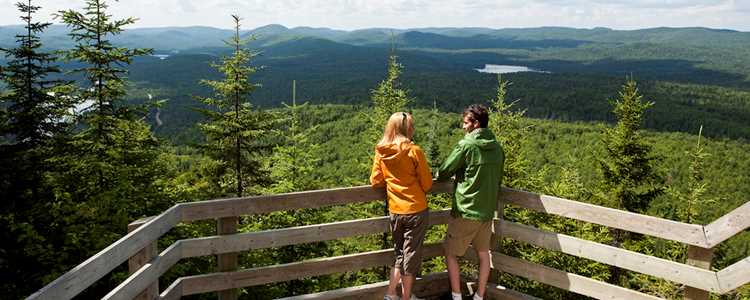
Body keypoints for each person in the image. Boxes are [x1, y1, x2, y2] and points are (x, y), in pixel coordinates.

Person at [436, 104, 504, 300]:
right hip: (486, 211)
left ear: (475, 124)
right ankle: (479, 296)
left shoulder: (466, 145)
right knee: (484, 255)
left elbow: (445, 171)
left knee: (450, 252)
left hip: (466, 210)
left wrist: (438, 175)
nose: (463, 127)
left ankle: (456, 296)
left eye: (465, 123)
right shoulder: (497, 148)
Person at [371, 112, 433, 300]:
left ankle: (391, 294)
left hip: (395, 210)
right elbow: (427, 184)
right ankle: (406, 298)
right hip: (416, 210)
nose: (413, 129)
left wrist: (393, 180)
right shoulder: (414, 151)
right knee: (411, 257)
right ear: (406, 129)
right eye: (411, 126)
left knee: (400, 254)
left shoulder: (381, 150)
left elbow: (375, 180)